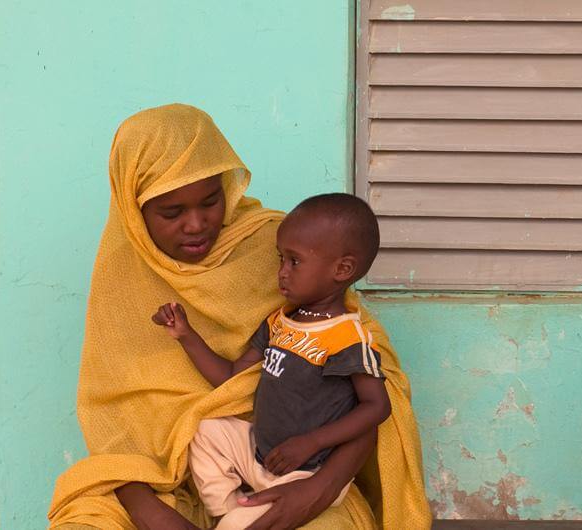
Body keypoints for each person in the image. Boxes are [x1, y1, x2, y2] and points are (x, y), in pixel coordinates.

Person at [47, 104, 429, 530]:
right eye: (171, 213)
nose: (196, 224)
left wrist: (318, 489)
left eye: (211, 201)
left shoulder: (281, 247)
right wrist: (150, 511)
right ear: (134, 210)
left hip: (298, 471)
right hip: (157, 482)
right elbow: (115, 424)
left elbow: (376, 392)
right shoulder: (121, 281)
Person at [152, 193, 390, 529]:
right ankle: (228, 508)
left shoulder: (347, 338)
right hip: (260, 455)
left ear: (342, 269)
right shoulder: (279, 322)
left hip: (306, 471)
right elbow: (231, 376)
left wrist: (312, 442)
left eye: (294, 262)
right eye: (281, 259)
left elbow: (376, 406)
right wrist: (186, 334)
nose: (281, 273)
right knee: (205, 431)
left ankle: (237, 519)